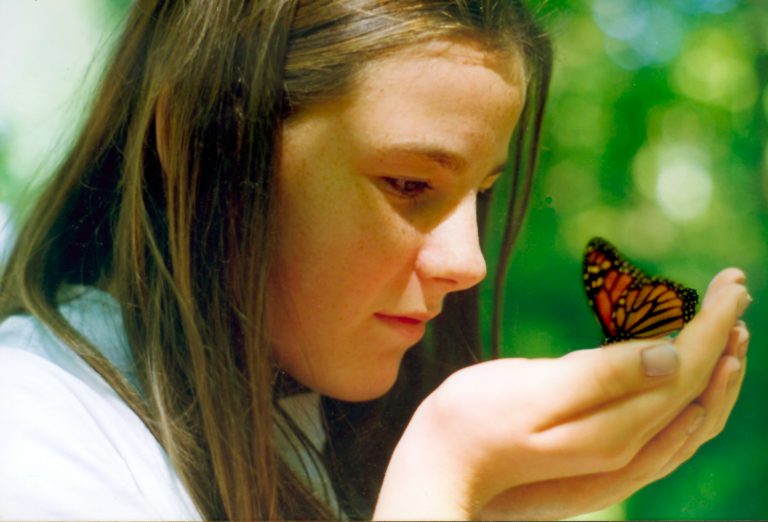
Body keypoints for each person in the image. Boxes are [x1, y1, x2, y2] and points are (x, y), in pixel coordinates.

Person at [0, 0, 751, 520]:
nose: (469, 263)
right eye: (409, 185)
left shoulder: (323, 436)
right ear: (202, 144)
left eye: (482, 195)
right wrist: (444, 468)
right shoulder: (32, 433)